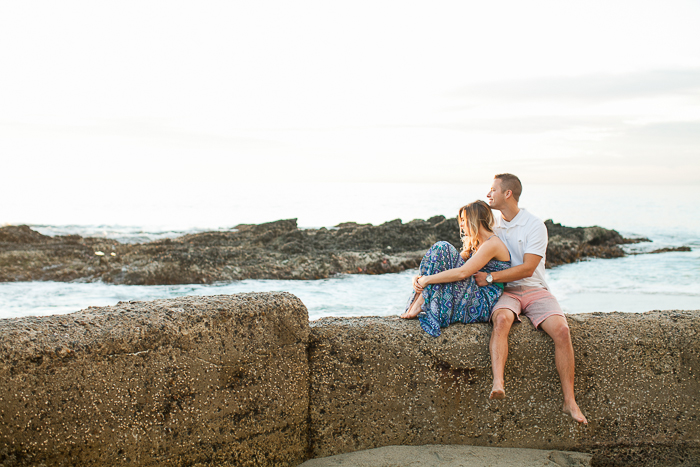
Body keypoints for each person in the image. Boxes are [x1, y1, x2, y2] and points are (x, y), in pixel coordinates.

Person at [474, 173, 588, 424]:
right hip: (507, 291)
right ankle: (498, 383)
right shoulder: (492, 225)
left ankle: (569, 401)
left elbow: (527, 268)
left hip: (534, 288)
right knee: (501, 321)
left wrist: (491, 277)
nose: (488, 194)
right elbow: (473, 247)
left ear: (508, 194)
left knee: (562, 331)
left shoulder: (534, 225)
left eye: (492, 189)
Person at [400, 200, 511, 338]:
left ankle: (418, 303)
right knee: (440, 251)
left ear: (475, 219)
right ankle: (418, 301)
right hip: (473, 293)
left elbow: (462, 273)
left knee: (443, 247)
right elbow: (444, 266)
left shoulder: (492, 243)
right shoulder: (475, 244)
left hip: (483, 302)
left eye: (464, 220)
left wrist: (427, 280)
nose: (461, 224)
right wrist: (418, 278)